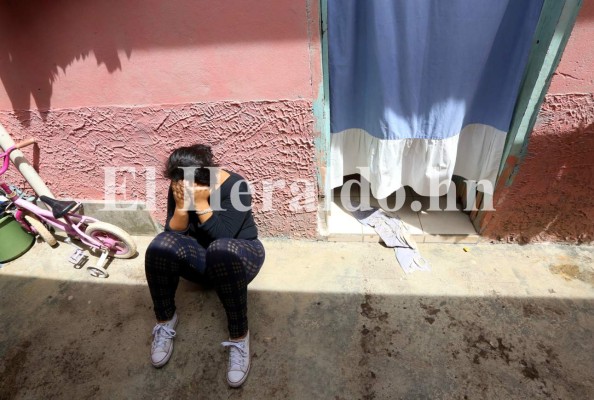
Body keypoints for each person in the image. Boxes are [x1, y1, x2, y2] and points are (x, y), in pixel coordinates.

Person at [144, 144, 265, 388]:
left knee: (220, 249)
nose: (179, 186)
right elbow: (174, 231)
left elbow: (224, 236)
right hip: (202, 259)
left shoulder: (235, 186)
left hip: (239, 257)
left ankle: (239, 336)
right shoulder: (180, 183)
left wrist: (199, 203)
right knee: (161, 245)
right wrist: (180, 206)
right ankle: (166, 320)